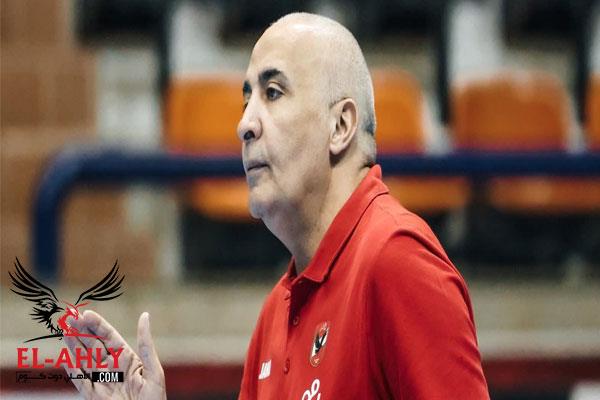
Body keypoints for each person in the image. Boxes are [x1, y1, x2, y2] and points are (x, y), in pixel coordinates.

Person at [64, 12, 489, 399]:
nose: (244, 124)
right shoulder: (277, 311)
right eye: (246, 100)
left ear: (340, 125)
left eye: (273, 92)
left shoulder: (398, 262)